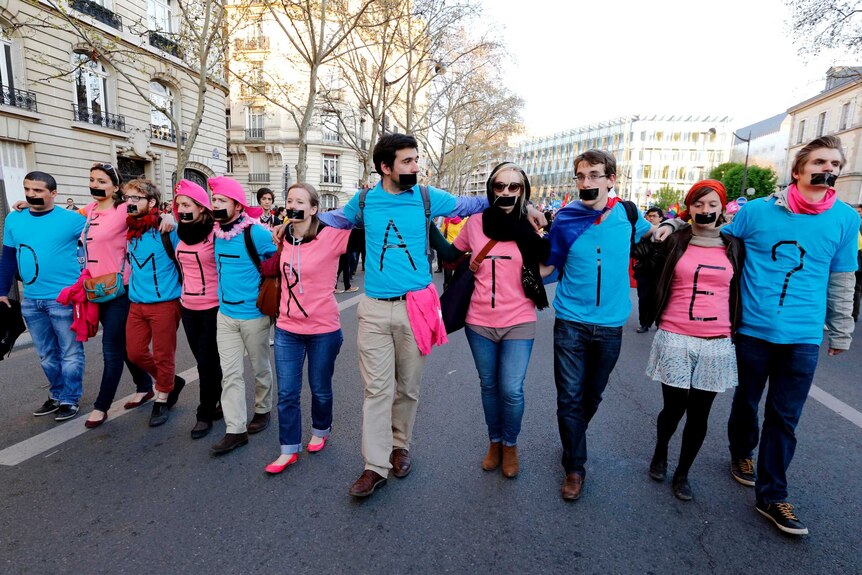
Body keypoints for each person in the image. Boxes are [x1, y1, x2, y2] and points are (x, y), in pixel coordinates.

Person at [335, 133, 544, 498]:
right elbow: (334, 220)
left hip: (416, 307)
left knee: (408, 389)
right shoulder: (364, 200)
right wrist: (291, 225)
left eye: (416, 159)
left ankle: (401, 447)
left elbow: (474, 203)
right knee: (376, 391)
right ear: (386, 167)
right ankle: (374, 465)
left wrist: (521, 204)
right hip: (373, 309)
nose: (417, 167)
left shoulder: (428, 197)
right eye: (408, 162)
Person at [719, 136, 857, 535]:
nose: (826, 168)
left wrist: (841, 329)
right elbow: (717, 240)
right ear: (798, 170)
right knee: (747, 400)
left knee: (784, 417)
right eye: (818, 161)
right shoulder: (758, 212)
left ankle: (772, 495)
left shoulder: (846, 219)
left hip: (803, 335)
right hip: (753, 328)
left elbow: (842, 278)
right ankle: (741, 451)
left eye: (833, 162)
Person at [541, 149, 652, 501]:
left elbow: (662, 233)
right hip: (571, 321)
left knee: (593, 394)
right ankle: (575, 466)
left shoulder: (629, 215)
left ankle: (573, 439)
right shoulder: (565, 219)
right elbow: (548, 266)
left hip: (611, 325)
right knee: (570, 397)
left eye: (594, 175)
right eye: (581, 176)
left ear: (610, 180)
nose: (586, 183)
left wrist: (667, 224)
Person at [448, 163, 549, 478]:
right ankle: (494, 442)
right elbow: (451, 257)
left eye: (514, 187)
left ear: (523, 191)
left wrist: (534, 276)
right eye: (500, 186)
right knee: (489, 385)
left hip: (519, 319)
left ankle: (510, 444)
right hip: (479, 321)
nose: (506, 192)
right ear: (491, 189)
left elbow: (551, 263)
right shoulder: (475, 223)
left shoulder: (531, 225)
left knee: (512, 389)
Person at [645, 180, 744, 501]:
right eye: (698, 204)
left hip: (716, 340)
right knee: (673, 408)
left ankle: (683, 472)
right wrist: (666, 225)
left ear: (721, 207)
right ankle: (661, 452)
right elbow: (647, 262)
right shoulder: (675, 240)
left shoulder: (734, 245)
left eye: (712, 204)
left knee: (700, 414)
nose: (705, 210)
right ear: (690, 208)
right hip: (675, 335)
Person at [265, 183, 359, 474]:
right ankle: (288, 449)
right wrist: (279, 234)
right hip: (286, 329)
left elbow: (361, 218)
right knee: (288, 393)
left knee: (319, 389)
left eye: (300, 201)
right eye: (289, 200)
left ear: (314, 208)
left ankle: (320, 429)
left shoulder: (333, 236)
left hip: (324, 330)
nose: (293, 204)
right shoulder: (282, 237)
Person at [0, 172, 86, 421]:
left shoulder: (72, 219)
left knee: (70, 352)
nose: (31, 194)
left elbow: (105, 218)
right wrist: (2, 291)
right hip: (32, 301)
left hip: (63, 299)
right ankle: (57, 394)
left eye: (38, 191)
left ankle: (70, 398)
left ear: (53, 194)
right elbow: (7, 257)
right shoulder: (15, 220)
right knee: (46, 354)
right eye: (28, 189)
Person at [81, 163, 155, 428]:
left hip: (120, 290)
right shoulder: (88, 211)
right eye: (92, 180)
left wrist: (167, 218)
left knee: (111, 349)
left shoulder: (124, 210)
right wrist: (26, 207)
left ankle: (101, 407)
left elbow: (153, 214)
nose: (96, 185)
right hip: (95, 289)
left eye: (102, 181)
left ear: (115, 186)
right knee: (124, 347)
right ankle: (145, 385)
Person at [208, 176, 276, 455]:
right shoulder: (214, 233)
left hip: (254, 315)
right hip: (224, 316)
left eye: (222, 200)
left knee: (260, 367)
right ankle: (235, 429)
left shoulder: (256, 233)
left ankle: (263, 409)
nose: (216, 205)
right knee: (230, 374)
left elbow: (276, 263)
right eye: (213, 200)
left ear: (237, 206)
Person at [123, 179, 184, 427]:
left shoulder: (168, 229)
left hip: (165, 304)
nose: (130, 202)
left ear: (152, 202)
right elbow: (94, 212)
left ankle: (162, 399)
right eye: (127, 197)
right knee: (135, 353)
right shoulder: (127, 227)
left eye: (136, 198)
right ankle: (169, 382)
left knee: (162, 355)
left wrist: (173, 218)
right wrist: (23, 206)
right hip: (136, 304)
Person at [173, 179, 223, 439]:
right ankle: (223, 400)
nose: (181, 209)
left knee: (207, 362)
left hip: (213, 307)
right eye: (179, 204)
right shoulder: (177, 232)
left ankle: (204, 414)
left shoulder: (217, 232)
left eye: (187, 204)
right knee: (206, 361)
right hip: (187, 307)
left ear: (202, 207)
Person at [633, 207, 664, 333]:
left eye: (654, 216)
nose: (650, 218)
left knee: (659, 298)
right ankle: (644, 323)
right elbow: (636, 252)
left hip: (660, 272)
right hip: (644, 270)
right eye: (649, 216)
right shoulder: (642, 233)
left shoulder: (667, 233)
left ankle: (659, 323)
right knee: (643, 298)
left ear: (661, 218)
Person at [852, 204, 862, 322]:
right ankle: (854, 314)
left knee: (854, 288)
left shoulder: (857, 223)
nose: (858, 213)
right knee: (857, 289)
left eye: (859, 211)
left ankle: (853, 313)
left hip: (857, 260)